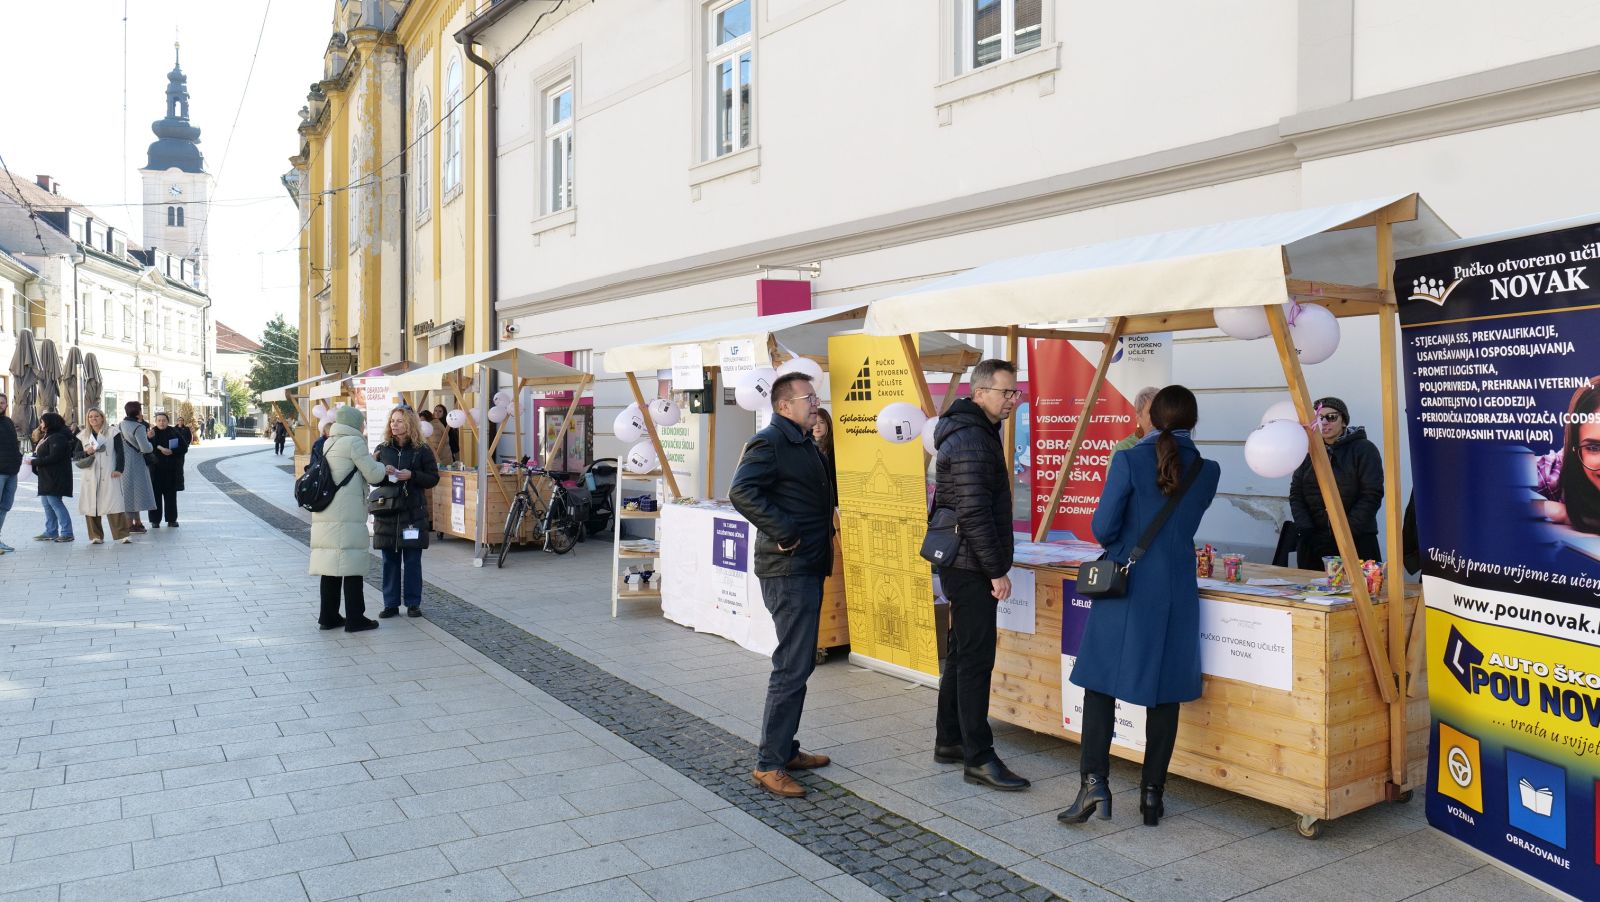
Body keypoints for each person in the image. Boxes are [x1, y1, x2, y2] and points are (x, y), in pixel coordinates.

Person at [1058, 385, 1220, 827]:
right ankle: (1152, 795)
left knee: (1098, 685)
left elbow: (1102, 527)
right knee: (1165, 693)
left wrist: (1123, 542)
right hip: (1176, 589)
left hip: (1126, 586)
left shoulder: (1129, 460)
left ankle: (1095, 786)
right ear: (1193, 421)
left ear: (1151, 417)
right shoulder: (1208, 469)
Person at [729, 372, 835, 798]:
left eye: (815, 397)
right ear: (784, 405)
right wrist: (786, 532)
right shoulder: (770, 442)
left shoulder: (801, 440)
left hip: (806, 564)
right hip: (788, 567)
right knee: (792, 665)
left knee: (800, 661)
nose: (815, 403)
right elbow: (742, 491)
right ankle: (769, 764)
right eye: (808, 397)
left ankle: (785, 749)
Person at [930, 359, 1030, 792]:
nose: (1012, 401)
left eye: (1015, 394)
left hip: (963, 562)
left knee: (960, 653)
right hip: (971, 565)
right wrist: (996, 571)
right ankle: (979, 757)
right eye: (1006, 392)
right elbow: (973, 512)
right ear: (981, 392)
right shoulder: (972, 437)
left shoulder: (974, 431)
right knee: (975, 660)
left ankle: (950, 741)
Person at [311, 405, 388, 632]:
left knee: (330, 565)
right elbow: (374, 474)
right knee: (352, 564)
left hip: (326, 511)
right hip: (347, 513)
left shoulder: (329, 441)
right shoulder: (354, 442)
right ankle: (356, 618)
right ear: (356, 423)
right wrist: (382, 465)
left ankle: (328, 616)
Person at [1289, 396, 1383, 567]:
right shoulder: (1307, 449)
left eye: (1331, 417)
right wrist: (1307, 529)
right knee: (1312, 591)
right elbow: (1296, 493)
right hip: (1314, 541)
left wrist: (1344, 532)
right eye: (1319, 417)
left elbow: (1371, 494)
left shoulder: (1364, 449)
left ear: (1344, 421)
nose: (1324, 422)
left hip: (1356, 539)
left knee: (1358, 592)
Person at [371, 407, 440, 617]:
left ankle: (413, 603)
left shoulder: (422, 450)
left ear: (409, 423)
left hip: (413, 513)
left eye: (399, 421)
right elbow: (373, 478)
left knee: (412, 561)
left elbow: (433, 478)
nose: (394, 424)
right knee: (389, 561)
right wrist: (384, 472)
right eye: (392, 421)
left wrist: (412, 475)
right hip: (388, 512)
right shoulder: (382, 449)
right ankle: (390, 604)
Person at [74, 408, 133, 545]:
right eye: (90, 417)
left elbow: (120, 452)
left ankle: (122, 534)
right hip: (90, 475)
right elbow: (75, 454)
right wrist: (86, 452)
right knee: (91, 505)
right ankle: (96, 536)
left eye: (96, 416)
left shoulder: (113, 433)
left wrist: (119, 469)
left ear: (102, 417)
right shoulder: (83, 435)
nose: (93, 419)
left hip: (109, 472)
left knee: (113, 503)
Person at [30, 412, 79, 543]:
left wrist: (34, 462)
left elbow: (54, 457)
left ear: (50, 422)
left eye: (42, 422)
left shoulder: (58, 437)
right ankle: (51, 531)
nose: (40, 424)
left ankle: (67, 532)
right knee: (47, 504)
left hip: (55, 476)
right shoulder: (49, 435)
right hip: (47, 476)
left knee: (55, 503)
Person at [113, 402, 157, 534]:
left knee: (129, 493)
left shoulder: (120, 425)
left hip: (123, 462)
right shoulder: (138, 427)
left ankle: (136, 522)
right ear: (138, 412)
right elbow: (145, 448)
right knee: (135, 493)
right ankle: (130, 524)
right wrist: (151, 443)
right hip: (136, 462)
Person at [147, 412, 189, 528]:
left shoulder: (174, 432)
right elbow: (146, 449)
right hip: (155, 471)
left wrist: (172, 451)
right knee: (155, 497)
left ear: (168, 421)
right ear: (156, 422)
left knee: (171, 497)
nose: (161, 422)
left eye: (164, 420)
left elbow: (184, 447)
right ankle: (155, 520)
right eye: (159, 420)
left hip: (171, 471)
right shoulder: (151, 433)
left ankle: (171, 519)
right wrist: (149, 439)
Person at [1108, 386, 1160, 462]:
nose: (1157, 416)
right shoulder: (1123, 448)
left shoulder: (1173, 443)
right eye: (1151, 412)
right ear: (1138, 418)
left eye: (1160, 411)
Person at [0, 393, 18, 554]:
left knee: (5, 506)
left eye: (3, 402)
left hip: (12, 472)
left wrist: (18, 460)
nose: (0, 404)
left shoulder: (8, 422)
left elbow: (14, 444)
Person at [811, 406, 838, 509]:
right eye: (814, 422)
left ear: (828, 424)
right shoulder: (806, 446)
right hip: (816, 500)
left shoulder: (835, 446)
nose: (817, 426)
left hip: (834, 500)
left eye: (821, 422)